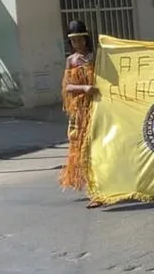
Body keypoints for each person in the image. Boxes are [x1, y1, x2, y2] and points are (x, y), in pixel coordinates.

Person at [60, 21, 101, 209]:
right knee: (83, 150)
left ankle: (100, 188)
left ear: (86, 39)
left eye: (80, 40)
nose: (77, 44)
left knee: (97, 149)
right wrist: (84, 88)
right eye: (73, 41)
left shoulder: (95, 57)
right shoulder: (71, 60)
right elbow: (67, 87)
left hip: (98, 109)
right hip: (80, 112)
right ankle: (93, 190)